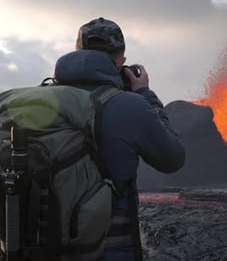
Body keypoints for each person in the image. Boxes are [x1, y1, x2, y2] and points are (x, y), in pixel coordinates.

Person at [54, 17, 186, 260]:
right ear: (121, 63)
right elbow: (173, 158)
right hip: (106, 251)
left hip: (38, 248)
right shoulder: (129, 106)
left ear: (78, 53)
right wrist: (145, 94)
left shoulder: (41, 102)